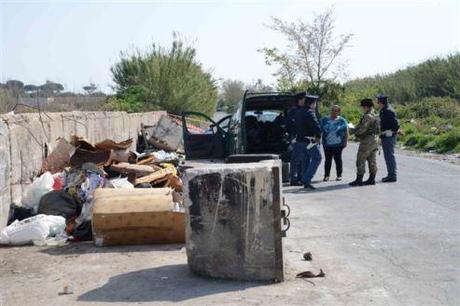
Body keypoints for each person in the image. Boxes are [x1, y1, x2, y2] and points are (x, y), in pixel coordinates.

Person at [349, 98, 380, 187]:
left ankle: (359, 179)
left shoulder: (368, 116)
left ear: (366, 107)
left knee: (361, 159)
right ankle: (372, 179)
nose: (362, 109)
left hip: (367, 140)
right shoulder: (375, 114)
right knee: (372, 159)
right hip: (375, 139)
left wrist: (354, 131)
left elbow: (362, 129)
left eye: (362, 107)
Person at [294, 94, 322, 190]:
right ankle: (306, 179)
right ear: (313, 103)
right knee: (317, 158)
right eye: (315, 103)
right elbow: (316, 126)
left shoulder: (298, 112)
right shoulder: (310, 112)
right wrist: (318, 136)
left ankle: (306, 182)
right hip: (310, 140)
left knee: (305, 160)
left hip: (300, 140)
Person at [320, 105, 349, 181]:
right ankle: (326, 175)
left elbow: (346, 132)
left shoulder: (342, 120)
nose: (334, 112)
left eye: (336, 110)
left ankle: (339, 175)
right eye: (332, 110)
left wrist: (345, 141)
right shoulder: (324, 120)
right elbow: (319, 130)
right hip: (327, 143)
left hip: (338, 144)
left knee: (338, 159)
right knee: (328, 160)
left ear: (339, 112)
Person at [377, 94, 400, 183]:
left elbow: (396, 125)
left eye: (378, 101)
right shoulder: (384, 110)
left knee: (389, 156)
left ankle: (392, 176)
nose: (377, 103)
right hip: (385, 136)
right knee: (388, 156)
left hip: (389, 136)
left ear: (380, 102)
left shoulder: (388, 111)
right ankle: (391, 174)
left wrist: (389, 132)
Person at [287, 92, 306, 186]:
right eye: (304, 99)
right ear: (300, 99)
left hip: (304, 137)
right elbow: (289, 124)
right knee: (296, 159)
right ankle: (294, 179)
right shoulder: (293, 110)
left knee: (303, 158)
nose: (305, 101)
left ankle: (301, 177)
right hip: (296, 136)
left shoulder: (304, 109)